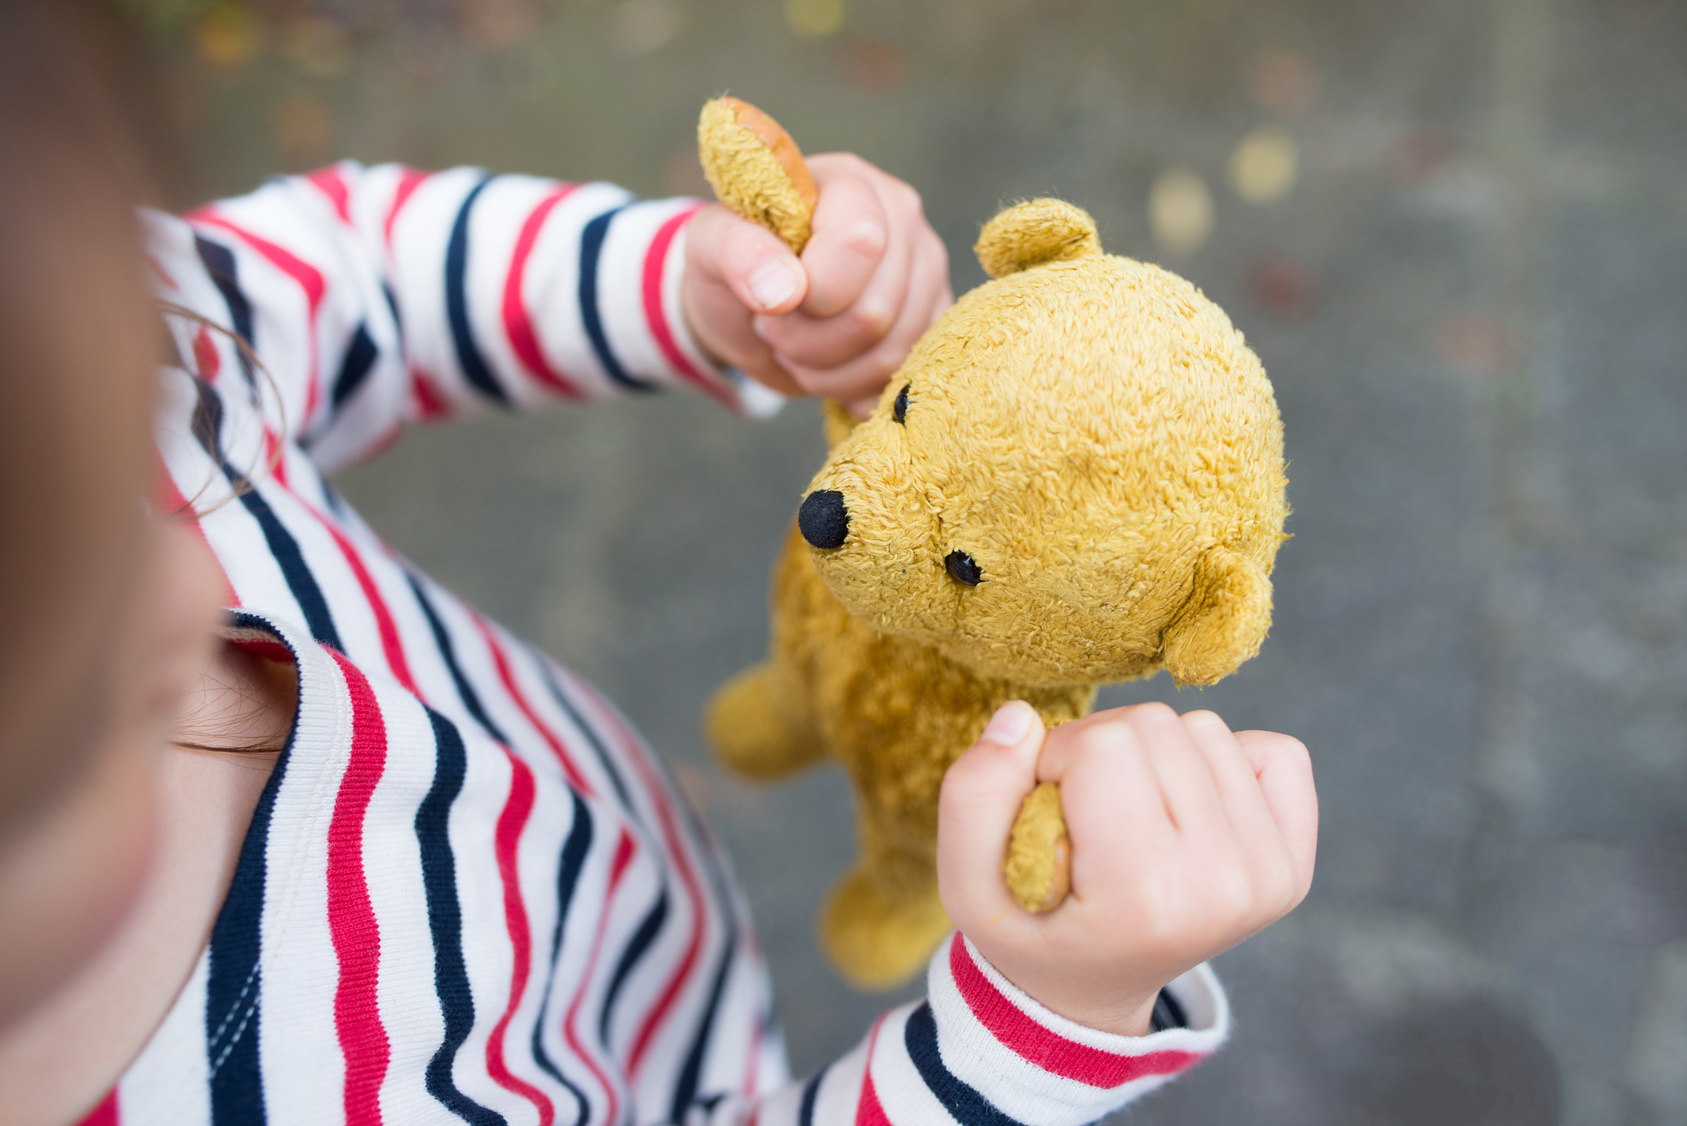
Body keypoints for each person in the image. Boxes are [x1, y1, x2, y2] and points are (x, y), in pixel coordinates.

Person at [0, 3, 1318, 1124]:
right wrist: (1039, 1028)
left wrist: (672, 288)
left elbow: (354, 277)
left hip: (642, 928)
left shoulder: (63, 346)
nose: (199, 587)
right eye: (69, 722)